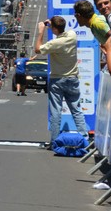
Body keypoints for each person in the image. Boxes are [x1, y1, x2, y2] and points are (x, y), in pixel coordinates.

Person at [35, 16, 88, 149]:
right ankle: (85, 138)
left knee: (56, 112)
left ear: (53, 28)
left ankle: (54, 141)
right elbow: (63, 29)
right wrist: (51, 24)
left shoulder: (54, 43)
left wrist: (41, 31)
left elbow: (38, 49)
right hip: (73, 78)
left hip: (57, 79)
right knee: (76, 110)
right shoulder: (72, 35)